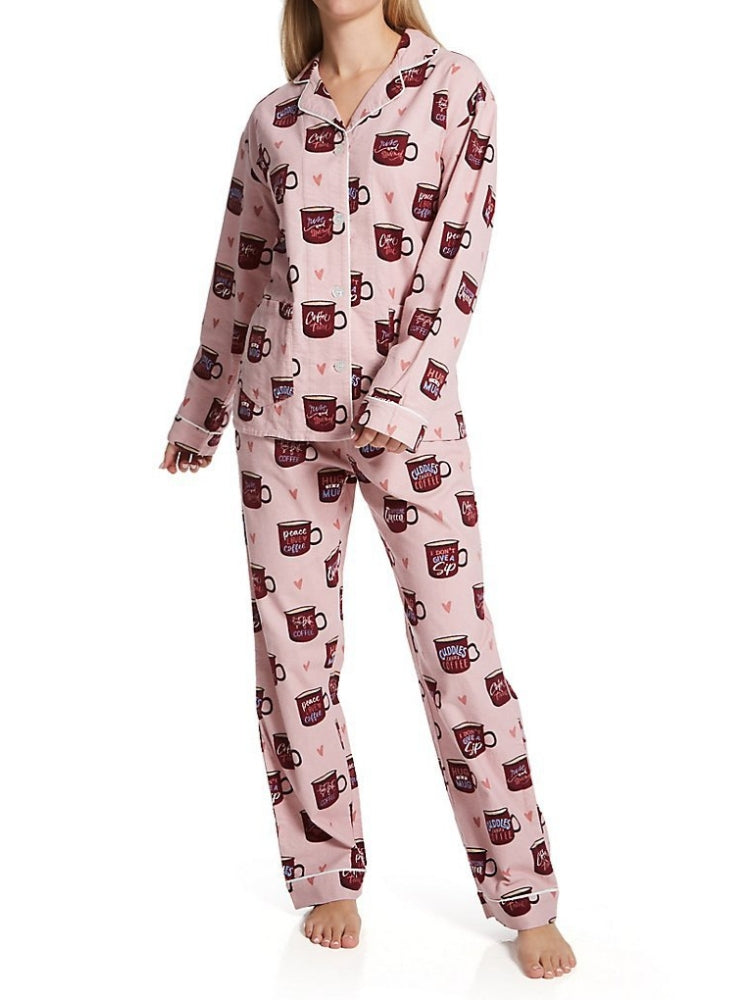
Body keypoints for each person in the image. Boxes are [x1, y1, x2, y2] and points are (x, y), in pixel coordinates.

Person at [159, 0, 576, 980]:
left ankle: (524, 893)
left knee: (459, 654)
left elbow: (457, 256)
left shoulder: (454, 85)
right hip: (279, 413)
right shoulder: (275, 117)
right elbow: (237, 270)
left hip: (410, 423)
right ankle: (324, 870)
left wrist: (401, 394)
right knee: (293, 660)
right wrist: (199, 413)